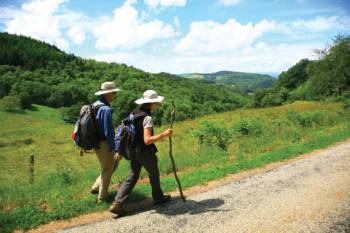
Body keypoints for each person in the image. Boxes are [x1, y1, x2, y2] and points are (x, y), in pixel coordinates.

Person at [109, 90, 173, 216]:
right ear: (151, 103)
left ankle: (117, 203)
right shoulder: (147, 117)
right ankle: (158, 197)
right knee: (153, 173)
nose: (158, 105)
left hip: (132, 151)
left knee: (132, 177)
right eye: (156, 103)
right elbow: (147, 140)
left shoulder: (134, 113)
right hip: (145, 152)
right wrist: (164, 134)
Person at [90, 81, 121, 204]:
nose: (115, 95)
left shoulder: (94, 105)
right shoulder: (106, 109)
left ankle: (96, 188)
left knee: (112, 165)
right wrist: (115, 147)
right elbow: (109, 131)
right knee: (108, 169)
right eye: (113, 92)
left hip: (95, 142)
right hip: (104, 143)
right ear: (108, 93)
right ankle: (102, 198)